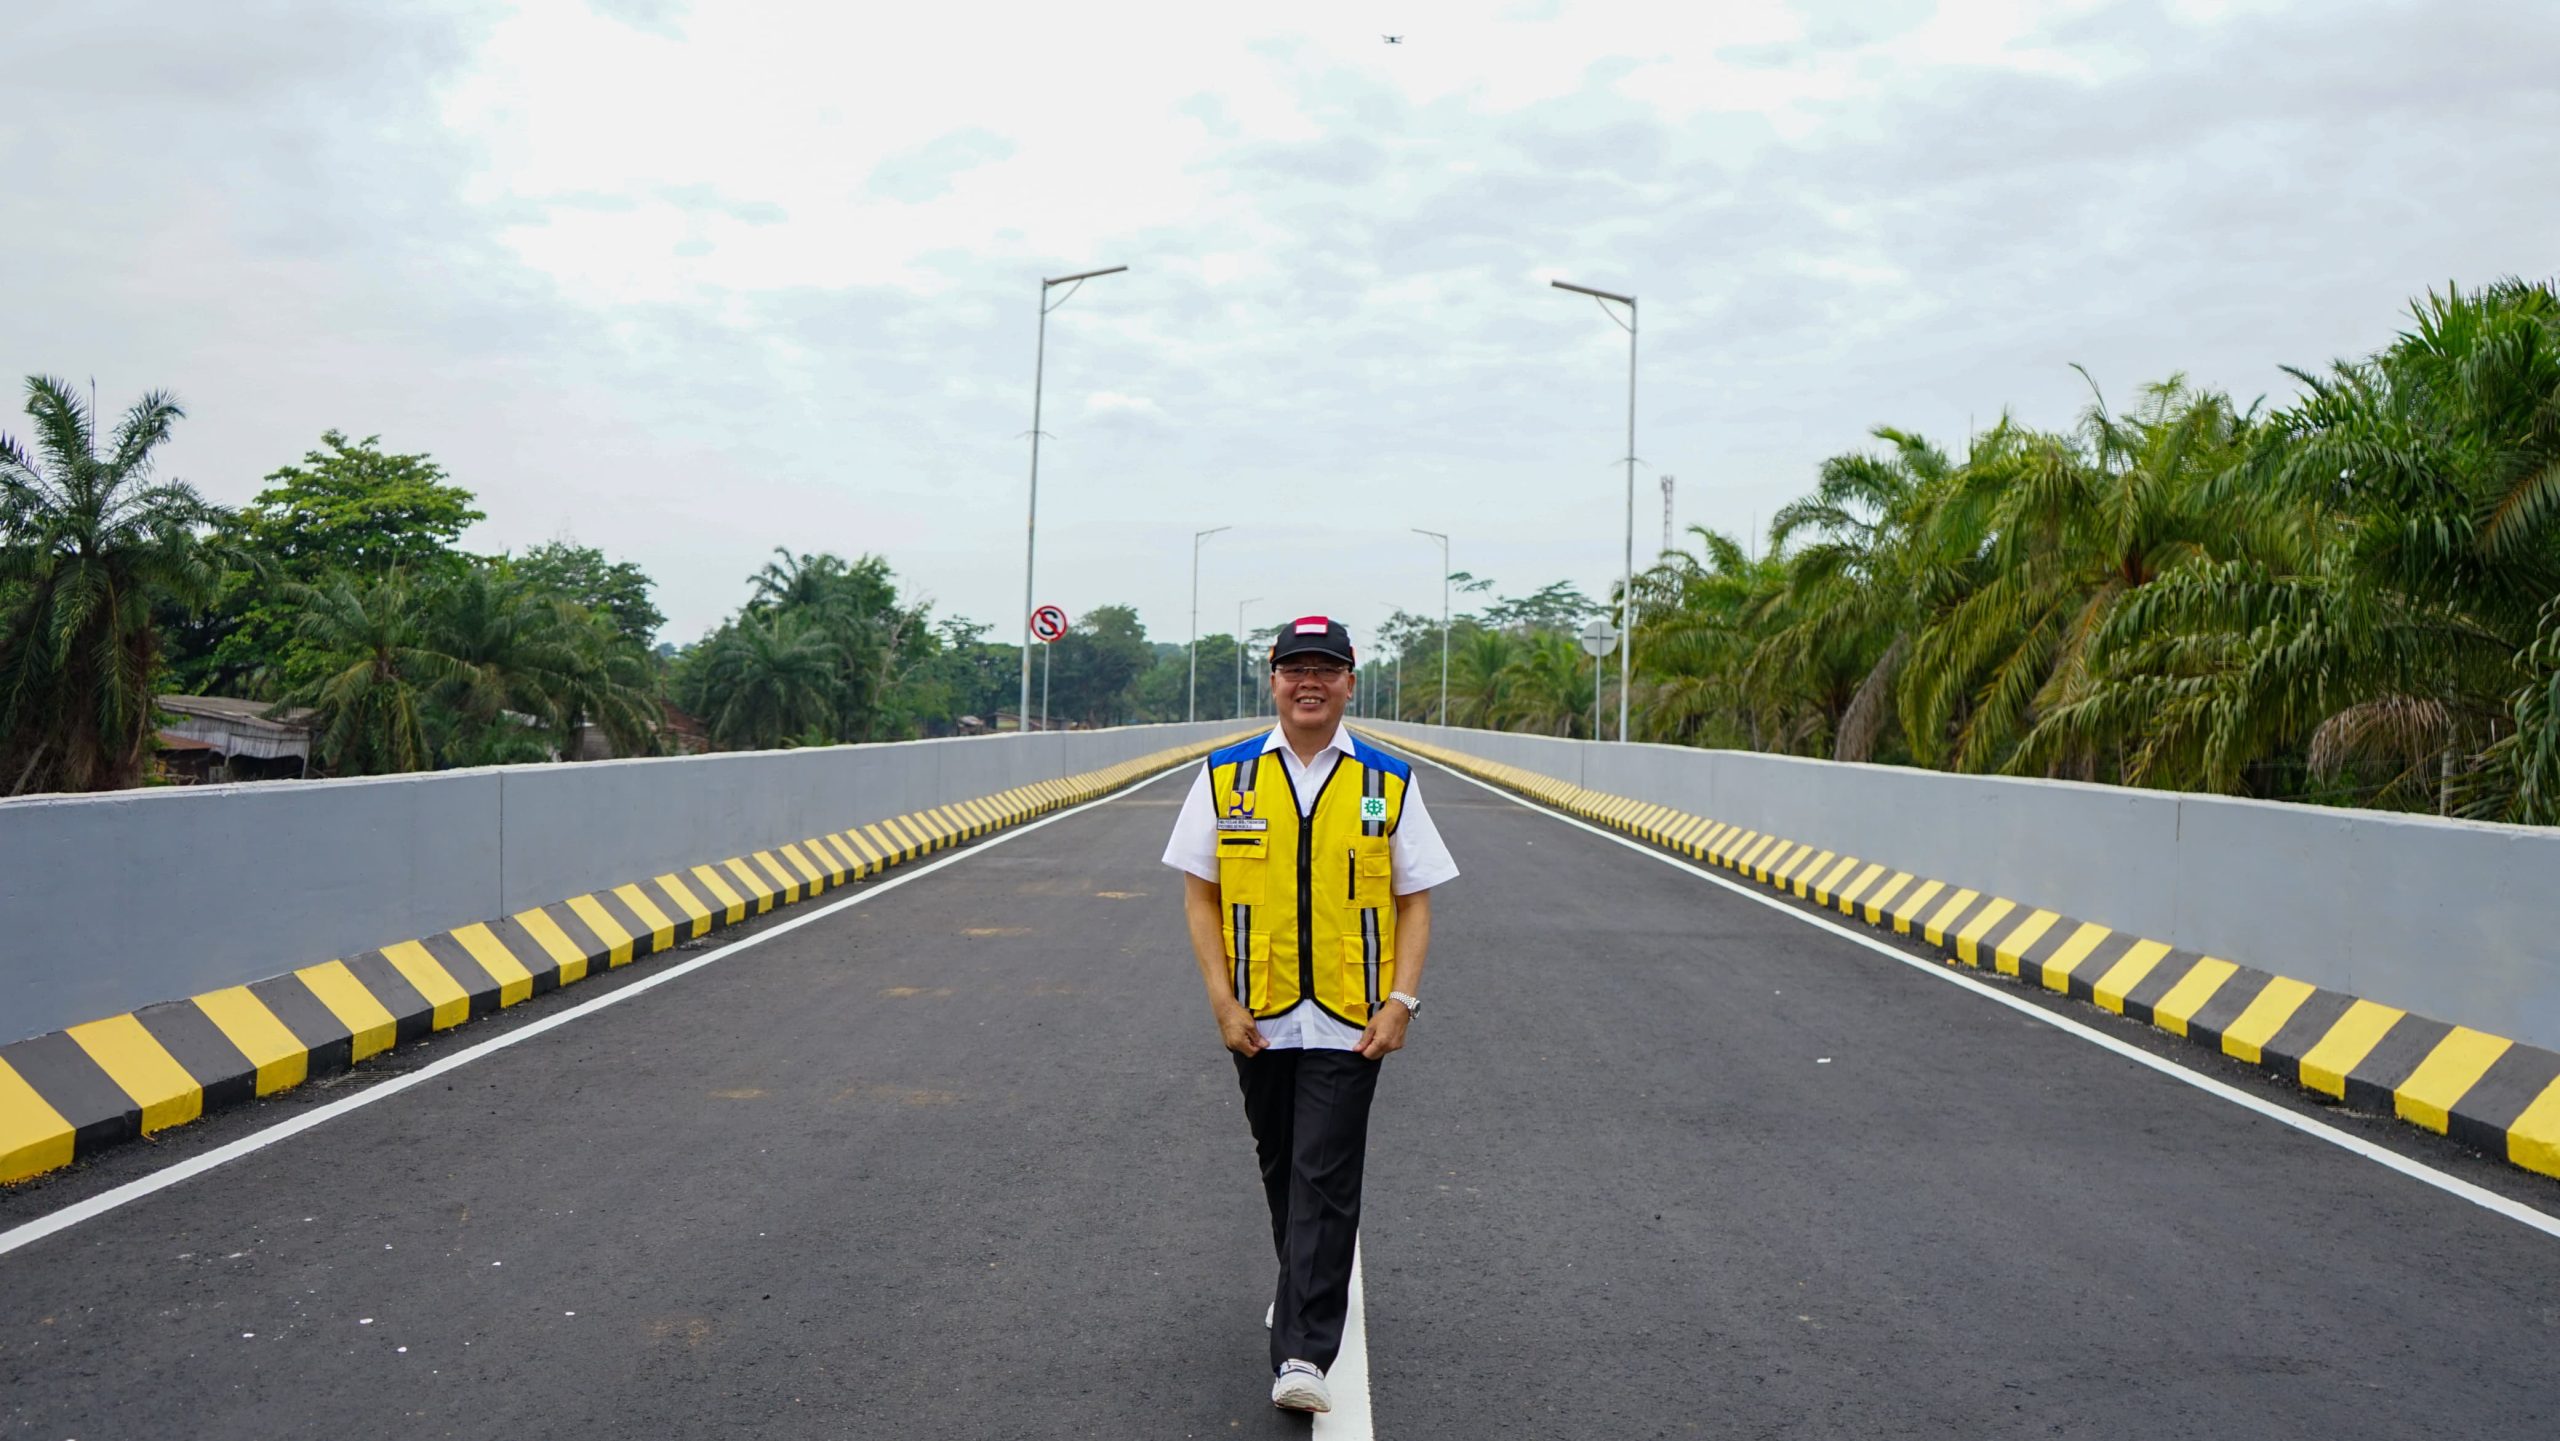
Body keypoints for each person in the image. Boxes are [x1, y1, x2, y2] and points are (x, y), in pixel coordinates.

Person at [1161, 615, 1460, 1414]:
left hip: (1348, 1019)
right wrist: (1221, 1001)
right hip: (1258, 1014)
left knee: (1323, 1176)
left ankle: (1303, 1350)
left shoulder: (1386, 780)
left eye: (1326, 668)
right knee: (1280, 1164)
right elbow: (1200, 895)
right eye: (1296, 667)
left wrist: (1401, 1001)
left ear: (1349, 683)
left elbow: (1415, 900)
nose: (1310, 681)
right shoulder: (1227, 776)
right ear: (1274, 679)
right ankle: (1300, 1285)